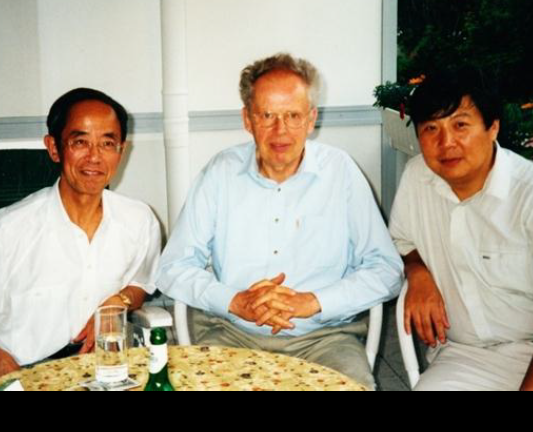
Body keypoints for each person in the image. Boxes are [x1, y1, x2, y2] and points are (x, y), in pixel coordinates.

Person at [157, 54, 403, 389]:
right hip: (232, 335)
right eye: (267, 115)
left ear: (311, 119)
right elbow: (172, 268)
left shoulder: (341, 172)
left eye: (293, 116)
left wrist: (312, 302)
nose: (280, 130)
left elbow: (387, 270)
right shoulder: (220, 173)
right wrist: (235, 301)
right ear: (247, 119)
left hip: (325, 339)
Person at [0, 88, 161, 388]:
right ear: (54, 148)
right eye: (80, 142)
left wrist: (118, 303)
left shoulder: (139, 219)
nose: (95, 156)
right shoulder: (9, 230)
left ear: (121, 151)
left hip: (101, 373)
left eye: (107, 143)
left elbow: (141, 283)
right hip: (21, 372)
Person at [389, 68, 533, 391]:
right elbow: (400, 241)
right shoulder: (417, 178)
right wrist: (417, 270)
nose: (446, 142)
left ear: (493, 127)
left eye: (460, 125)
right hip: (467, 357)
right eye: (431, 128)